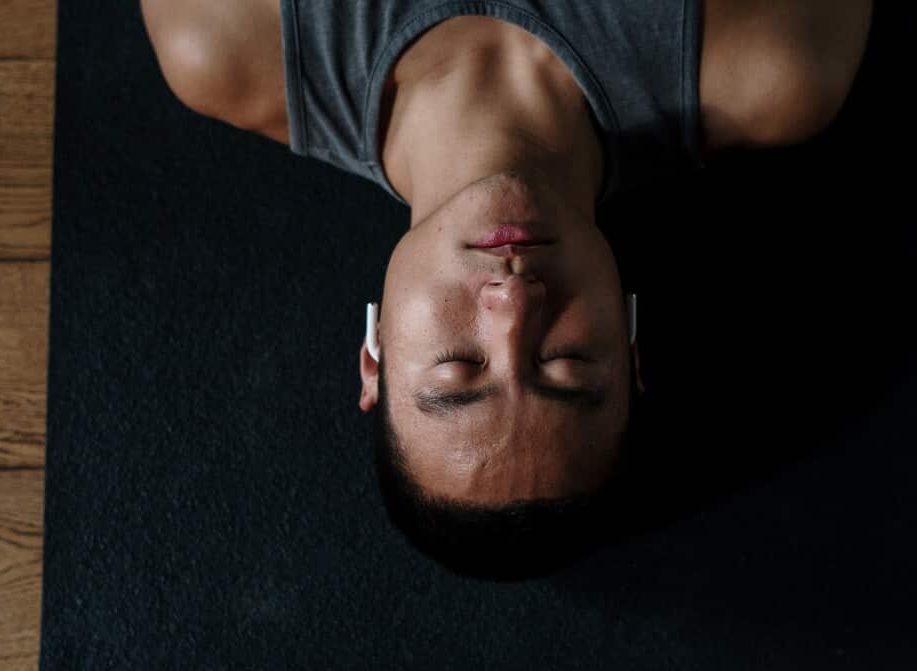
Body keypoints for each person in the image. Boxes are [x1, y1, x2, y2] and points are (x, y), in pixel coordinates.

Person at [140, 0, 873, 579]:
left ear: (374, 354)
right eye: (569, 363)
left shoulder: (228, 42)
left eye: (460, 364)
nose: (514, 303)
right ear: (631, 344)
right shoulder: (770, 58)